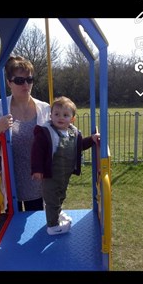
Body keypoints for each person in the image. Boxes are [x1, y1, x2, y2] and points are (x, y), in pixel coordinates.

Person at [0, 55, 51, 211]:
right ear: (9, 83)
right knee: (13, 230)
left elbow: (60, 134)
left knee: (36, 229)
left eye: (29, 80)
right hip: (10, 186)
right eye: (19, 81)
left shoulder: (44, 109)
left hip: (38, 184)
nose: (25, 85)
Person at [31, 96, 100, 235]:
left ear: (72, 119)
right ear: (51, 115)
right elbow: (37, 151)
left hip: (64, 175)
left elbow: (79, 146)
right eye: (56, 114)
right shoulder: (45, 132)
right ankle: (53, 226)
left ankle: (57, 212)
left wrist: (92, 139)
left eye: (65, 115)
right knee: (51, 199)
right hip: (50, 174)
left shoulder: (72, 133)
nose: (60, 118)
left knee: (61, 195)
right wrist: (37, 169)